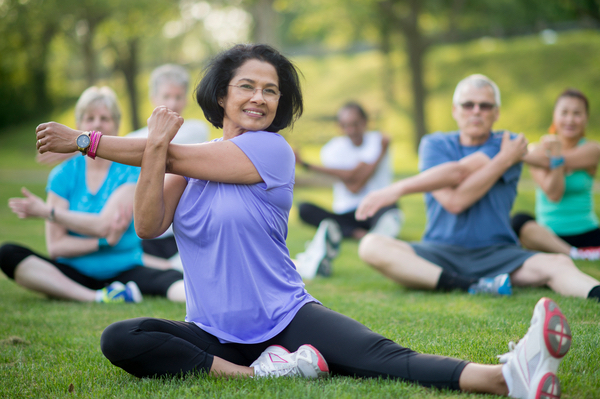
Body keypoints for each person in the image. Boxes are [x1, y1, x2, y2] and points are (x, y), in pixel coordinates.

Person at [36, 44, 572, 398]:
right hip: (212, 333)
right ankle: (256, 374)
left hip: (286, 317)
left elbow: (178, 156)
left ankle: (507, 376)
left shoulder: (270, 152)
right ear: (221, 94)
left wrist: (86, 141)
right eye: (247, 86)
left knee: (382, 358)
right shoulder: (178, 159)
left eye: (271, 90)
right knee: (121, 337)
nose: (260, 98)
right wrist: (154, 147)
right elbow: (149, 225)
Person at [356, 74, 600, 302]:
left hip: (499, 255)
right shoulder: (434, 144)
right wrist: (505, 160)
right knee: (371, 245)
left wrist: (394, 190)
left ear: (496, 113)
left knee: (559, 263)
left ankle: (595, 293)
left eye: (485, 106)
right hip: (439, 253)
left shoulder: (507, 142)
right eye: (468, 104)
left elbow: (459, 177)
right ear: (455, 110)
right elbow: (453, 201)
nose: (476, 112)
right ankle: (470, 284)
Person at [0, 86, 185, 303]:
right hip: (74, 273)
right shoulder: (62, 174)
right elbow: (57, 247)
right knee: (8, 253)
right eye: (90, 118)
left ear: (116, 125)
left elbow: (104, 225)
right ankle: (97, 297)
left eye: (105, 118)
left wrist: (48, 212)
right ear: (78, 127)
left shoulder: (131, 170)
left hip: (126, 268)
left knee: (175, 281)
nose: (97, 123)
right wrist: (103, 243)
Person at [293, 102, 402, 279]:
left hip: (376, 207)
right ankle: (365, 236)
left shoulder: (378, 140)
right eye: (346, 125)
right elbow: (353, 186)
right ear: (339, 126)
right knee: (304, 208)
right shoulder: (333, 148)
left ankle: (361, 235)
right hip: (347, 213)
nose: (351, 130)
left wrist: (307, 165)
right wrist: (380, 155)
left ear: (365, 122)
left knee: (390, 205)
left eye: (355, 124)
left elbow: (356, 181)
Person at [127, 64, 210, 270]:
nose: (173, 103)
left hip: (182, 232)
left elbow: (158, 142)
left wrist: (91, 144)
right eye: (166, 96)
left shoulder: (196, 130)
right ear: (153, 97)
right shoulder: (132, 139)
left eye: (178, 97)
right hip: (144, 233)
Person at [511, 88, 600, 260]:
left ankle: (579, 252)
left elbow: (541, 160)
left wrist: (552, 156)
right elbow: (553, 194)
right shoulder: (537, 149)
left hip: (588, 233)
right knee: (519, 221)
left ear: (586, 118)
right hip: (548, 237)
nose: (570, 119)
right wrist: (556, 159)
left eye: (577, 113)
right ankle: (575, 255)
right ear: (555, 116)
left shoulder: (592, 150)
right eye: (564, 112)